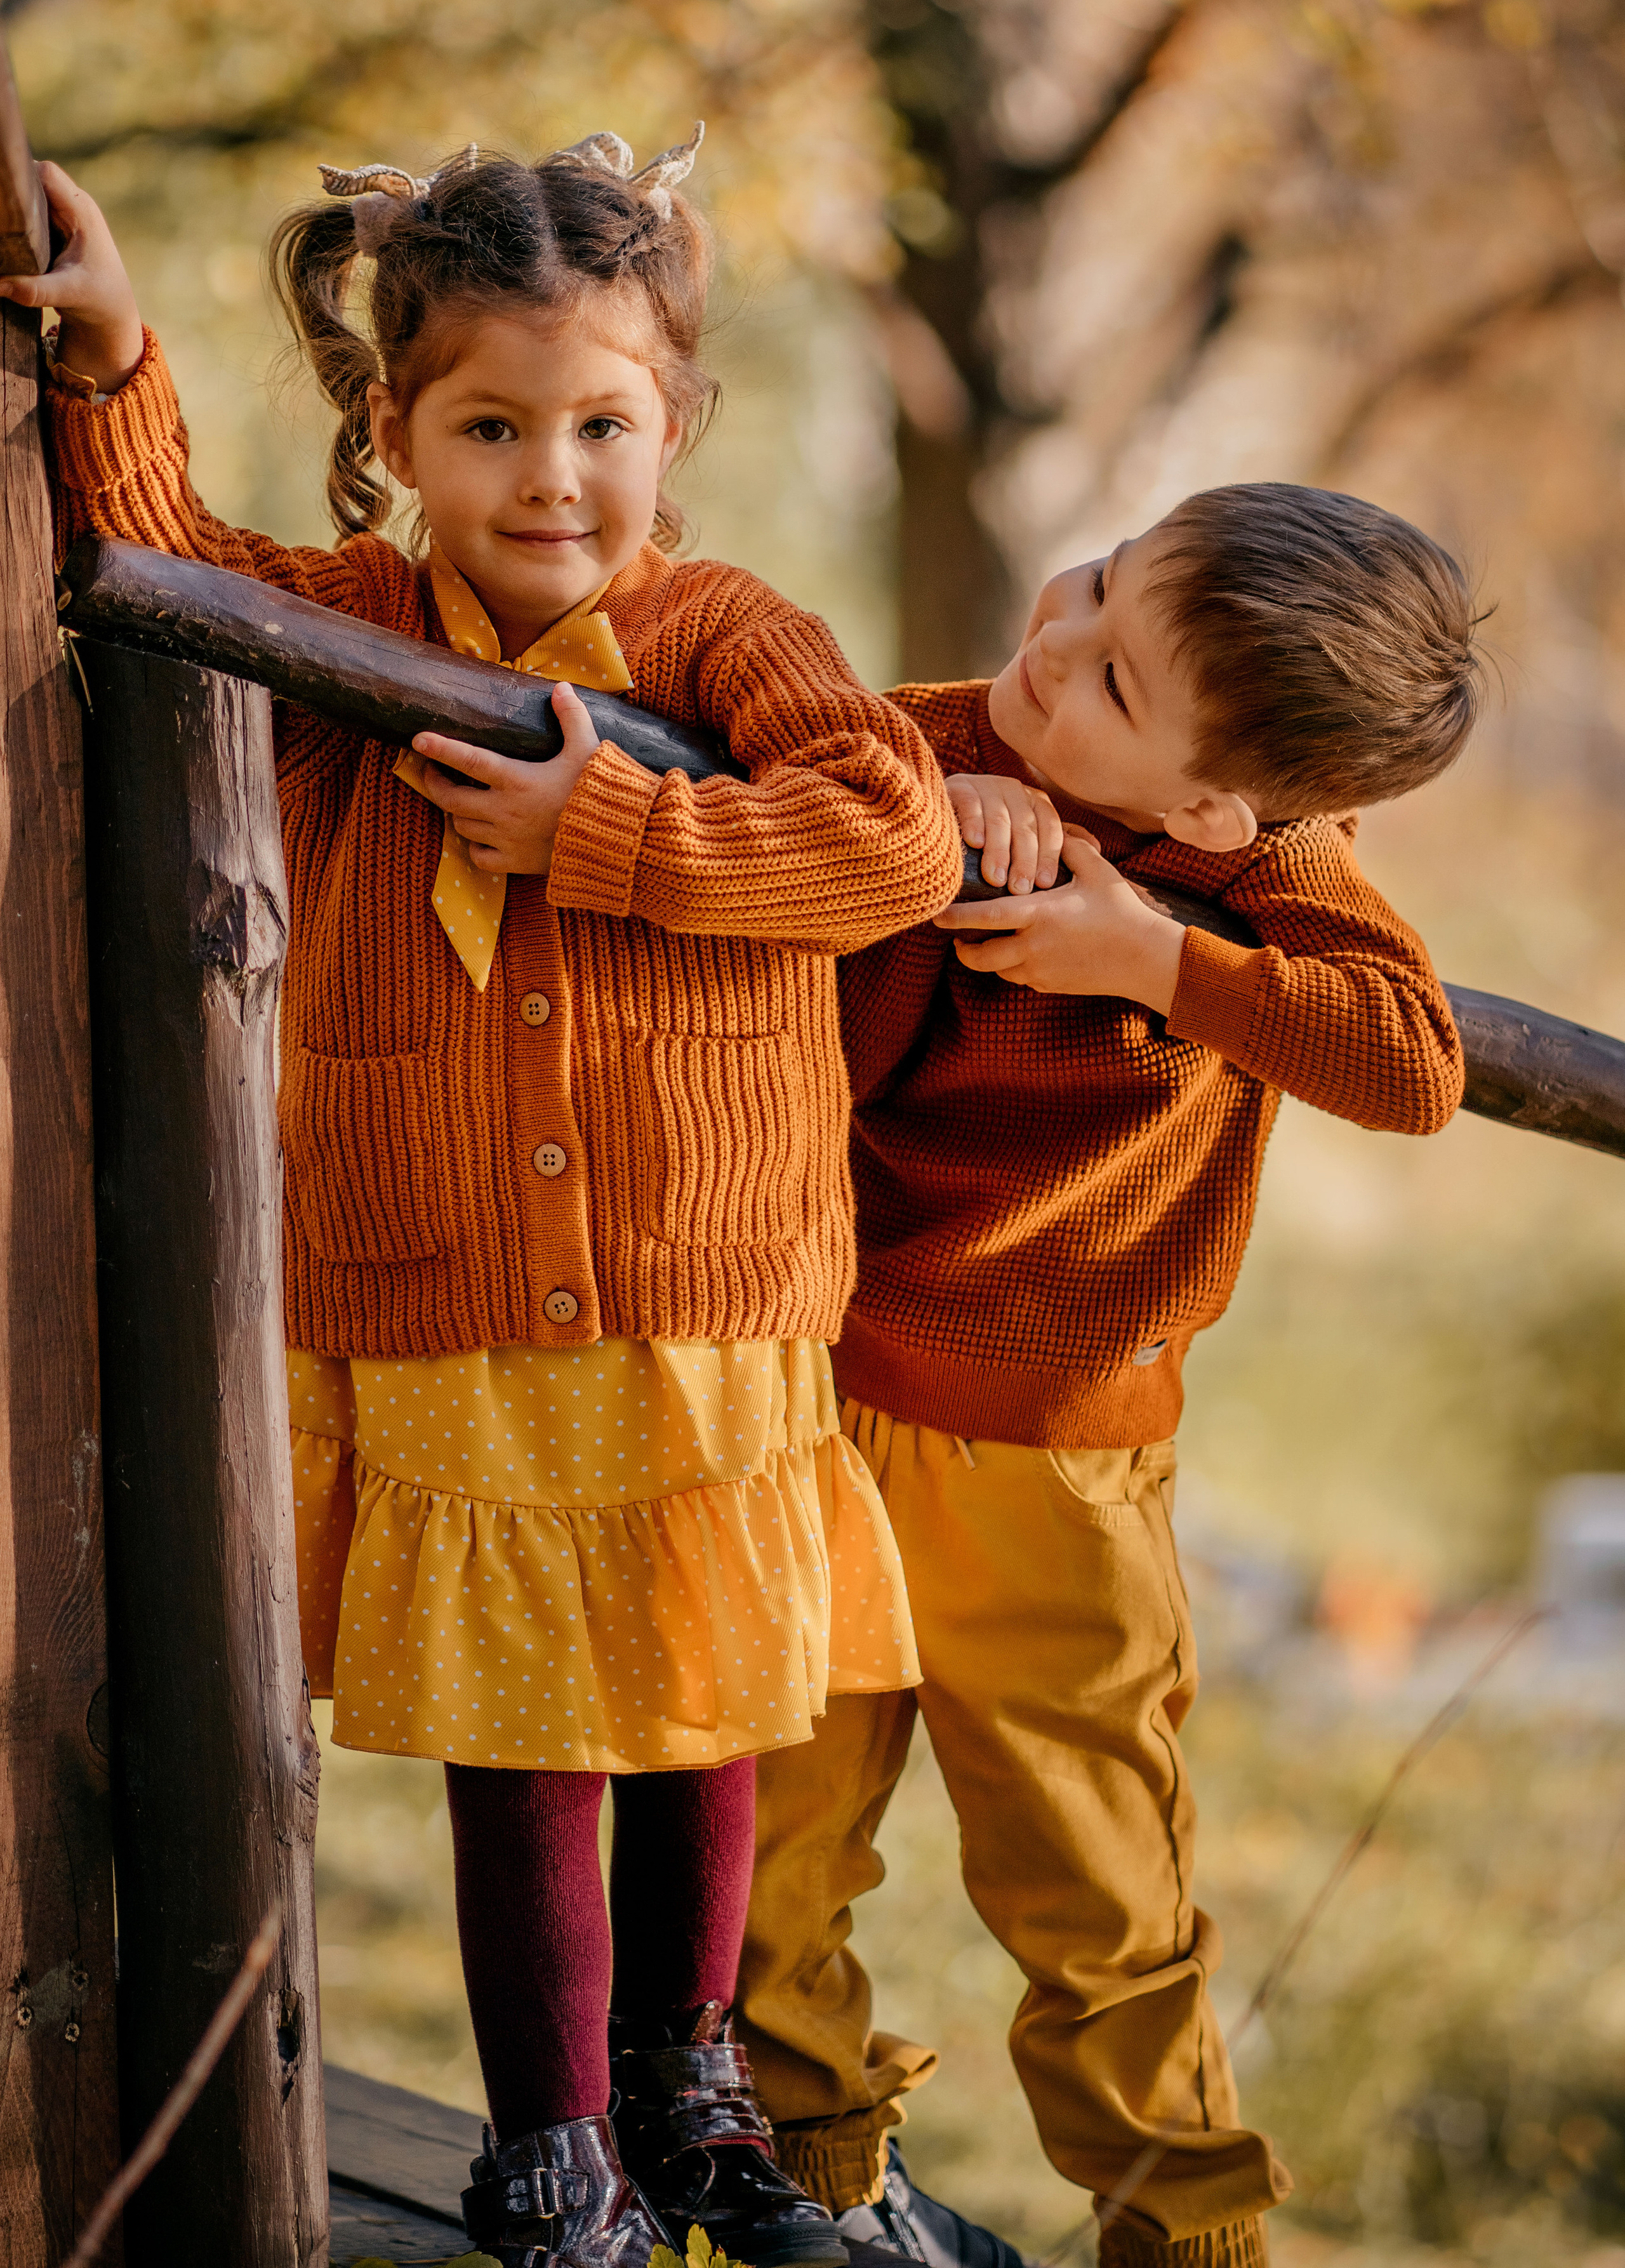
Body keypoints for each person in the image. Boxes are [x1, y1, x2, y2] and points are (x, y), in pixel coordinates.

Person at [10, 129, 965, 2268]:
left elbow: (884, 848)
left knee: (704, 1699)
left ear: (674, 423)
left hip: (700, 1283)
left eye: (603, 424)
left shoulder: (726, 636)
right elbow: (162, 558)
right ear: (396, 433)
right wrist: (112, 359)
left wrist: (610, 832)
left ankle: (682, 2085)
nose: (554, 475)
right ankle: (550, 2149)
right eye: (493, 426)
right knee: (522, 1735)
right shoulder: (352, 625)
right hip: (446, 1283)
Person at [736, 489, 1483, 2268]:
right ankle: (810, 2188)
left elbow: (1413, 1065)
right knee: (772, 1837)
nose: (1052, 642)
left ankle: (1180, 2230)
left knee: (1095, 1895)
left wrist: (1147, 957)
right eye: (1092, 583)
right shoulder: (949, 736)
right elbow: (790, 747)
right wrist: (926, 814)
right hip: (818, 1406)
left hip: (1056, 1468)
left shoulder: (1271, 884)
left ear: (1216, 804)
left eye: (1115, 679)